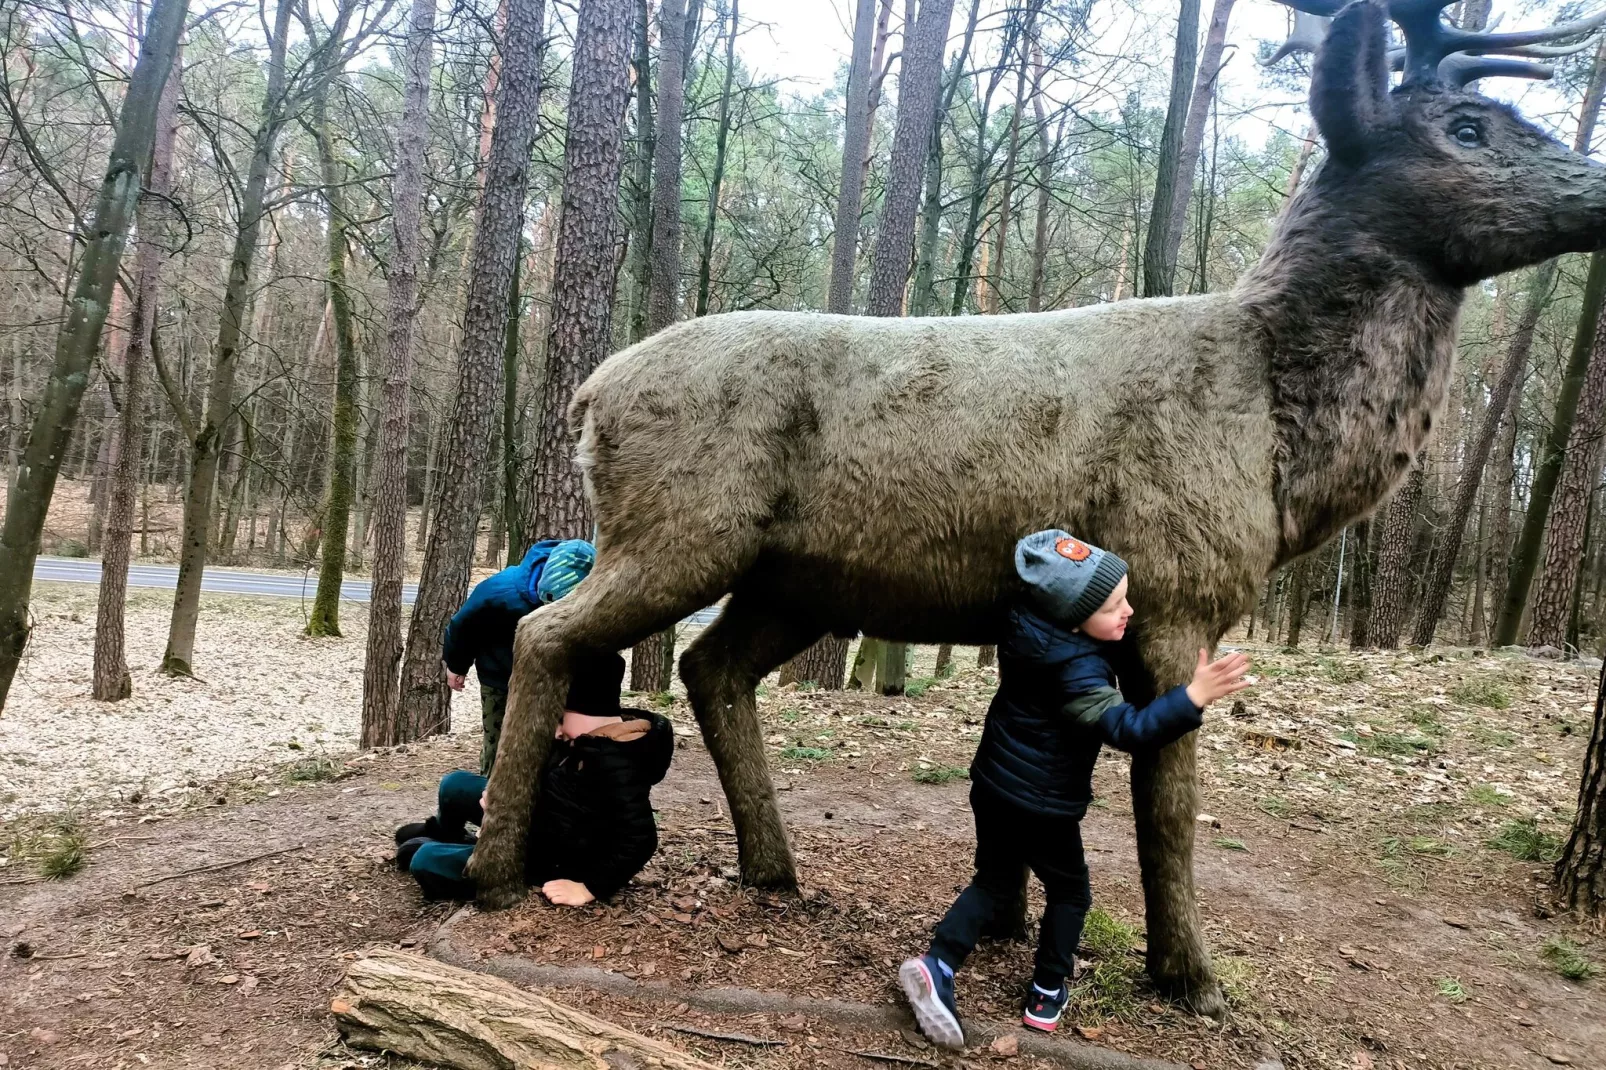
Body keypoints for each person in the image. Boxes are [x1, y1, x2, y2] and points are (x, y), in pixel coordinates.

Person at [899, 530, 1250, 1046]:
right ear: (1075, 617)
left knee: (993, 881)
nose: (1128, 611)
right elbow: (1126, 729)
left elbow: (1090, 630)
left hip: (993, 783)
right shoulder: (1078, 672)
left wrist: (1108, 625)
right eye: (1114, 606)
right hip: (1040, 805)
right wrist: (1193, 696)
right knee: (1070, 891)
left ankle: (939, 964)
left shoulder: (1028, 630)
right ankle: (1046, 989)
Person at [395, 650, 673, 905]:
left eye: (561, 718)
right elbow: (547, 782)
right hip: (536, 819)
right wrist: (504, 796)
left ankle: (461, 853)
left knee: (423, 860)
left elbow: (641, 839)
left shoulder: (618, 764)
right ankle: (449, 833)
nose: (555, 730)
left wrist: (589, 888)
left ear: (590, 711)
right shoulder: (582, 739)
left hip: (547, 857)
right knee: (454, 785)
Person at [443, 538, 596, 774]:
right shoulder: (500, 591)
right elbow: (463, 627)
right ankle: (490, 785)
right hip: (500, 678)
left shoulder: (590, 596)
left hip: (551, 680)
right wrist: (457, 666)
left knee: (550, 744)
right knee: (499, 743)